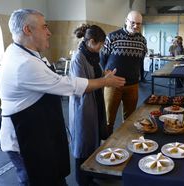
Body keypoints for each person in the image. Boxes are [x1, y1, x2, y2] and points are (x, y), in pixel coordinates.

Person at [0, 9, 125, 186]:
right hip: (25, 140)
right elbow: (70, 85)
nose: (49, 32)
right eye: (44, 27)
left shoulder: (25, 54)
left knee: (55, 178)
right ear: (27, 30)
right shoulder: (24, 64)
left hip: (39, 134)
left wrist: (104, 78)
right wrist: (105, 81)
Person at [69, 24, 112, 186]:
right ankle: (82, 180)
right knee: (83, 142)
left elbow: (96, 76)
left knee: (95, 137)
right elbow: (81, 86)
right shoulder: (78, 58)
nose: (102, 47)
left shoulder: (93, 55)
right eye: (100, 44)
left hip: (96, 101)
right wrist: (105, 81)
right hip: (84, 106)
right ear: (91, 41)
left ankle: (93, 172)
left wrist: (105, 75)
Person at [100, 10, 147, 134]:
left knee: (129, 119)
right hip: (113, 84)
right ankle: (107, 148)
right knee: (109, 120)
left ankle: (125, 144)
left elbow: (140, 60)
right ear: (126, 21)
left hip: (132, 85)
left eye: (139, 24)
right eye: (133, 23)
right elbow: (102, 58)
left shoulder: (142, 40)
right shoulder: (112, 37)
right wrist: (106, 75)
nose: (136, 26)